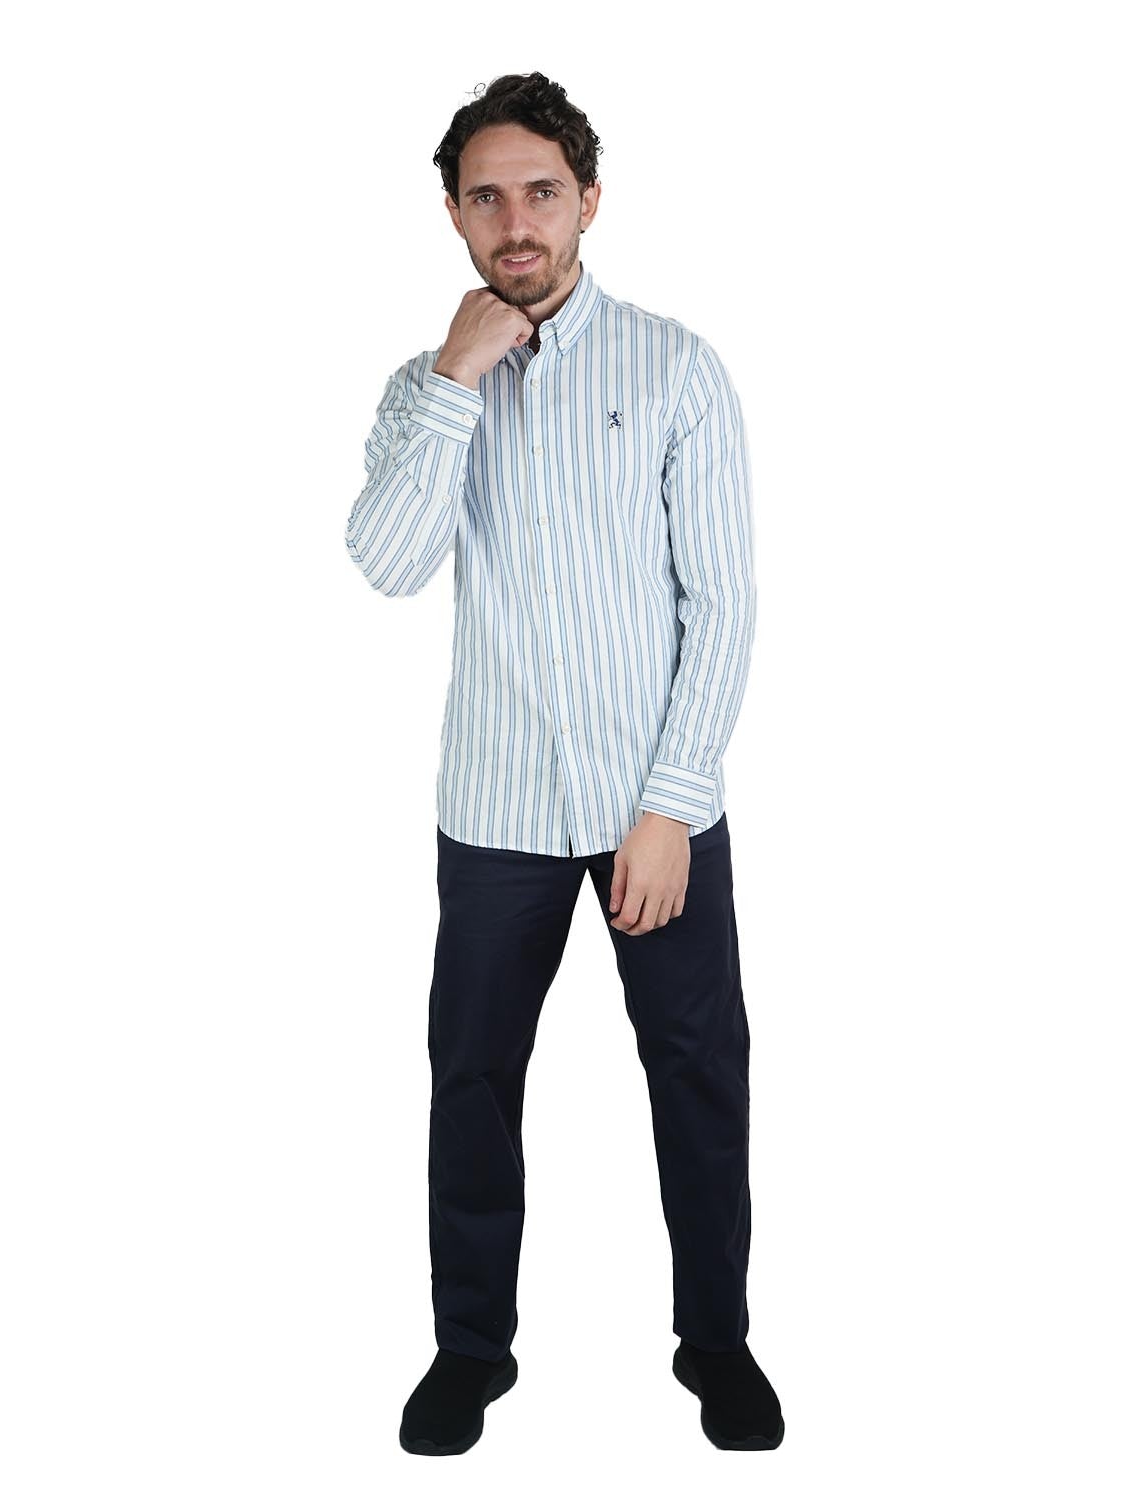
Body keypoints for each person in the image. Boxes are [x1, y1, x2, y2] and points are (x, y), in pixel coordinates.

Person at [344, 71, 780, 1455]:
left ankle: (717, 1343)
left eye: (541, 191)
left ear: (589, 199)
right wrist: (456, 383)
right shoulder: (424, 389)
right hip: (494, 812)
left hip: (656, 806)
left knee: (699, 1074)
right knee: (472, 1080)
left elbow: (723, 604)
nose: (516, 220)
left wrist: (670, 807)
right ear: (455, 216)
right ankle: (471, 1350)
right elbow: (388, 564)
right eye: (486, 197)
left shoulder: (674, 368)